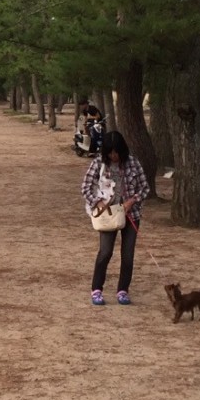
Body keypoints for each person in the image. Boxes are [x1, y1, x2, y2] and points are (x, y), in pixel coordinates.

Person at [81, 131, 151, 306]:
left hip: (131, 214)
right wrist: (97, 202)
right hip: (107, 215)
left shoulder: (133, 163)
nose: (114, 156)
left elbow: (145, 188)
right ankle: (96, 289)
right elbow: (85, 187)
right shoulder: (98, 163)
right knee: (105, 252)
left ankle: (123, 290)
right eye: (110, 152)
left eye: (116, 152)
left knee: (128, 255)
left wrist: (132, 200)